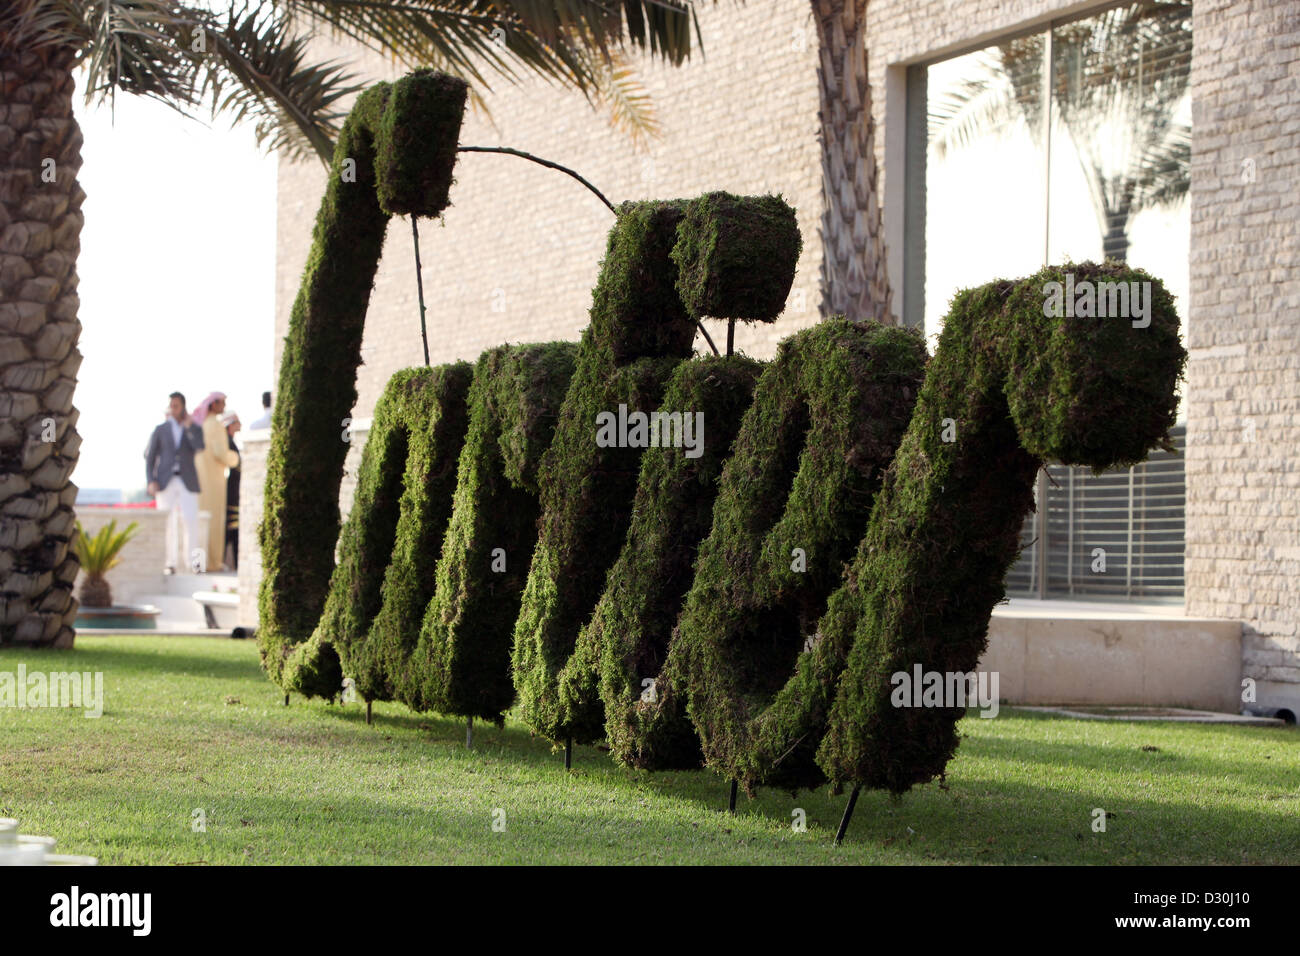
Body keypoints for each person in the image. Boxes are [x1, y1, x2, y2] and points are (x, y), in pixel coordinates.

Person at [144, 391, 205, 575]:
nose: (173, 408)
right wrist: (151, 480)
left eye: (176, 405)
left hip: (187, 480)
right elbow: (150, 456)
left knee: (191, 521)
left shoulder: (194, 428)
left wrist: (189, 427)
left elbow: (200, 447)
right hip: (165, 481)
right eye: (171, 405)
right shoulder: (160, 429)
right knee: (168, 523)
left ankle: (195, 564)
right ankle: (170, 563)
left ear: (183, 407)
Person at [192, 392, 240, 572]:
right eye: (222, 403)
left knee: (199, 524)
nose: (224, 407)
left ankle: (198, 564)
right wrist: (236, 459)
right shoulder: (216, 427)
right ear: (213, 405)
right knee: (214, 524)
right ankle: (211, 564)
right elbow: (220, 452)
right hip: (213, 483)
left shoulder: (200, 425)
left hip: (199, 484)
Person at [223, 413, 242, 571]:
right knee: (231, 528)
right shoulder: (227, 442)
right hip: (232, 489)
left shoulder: (230, 442)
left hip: (234, 488)